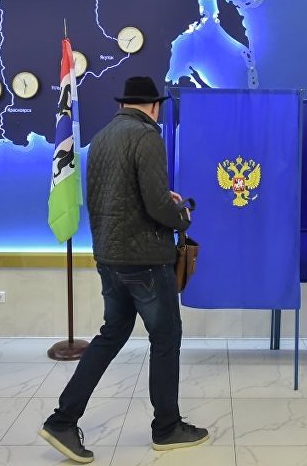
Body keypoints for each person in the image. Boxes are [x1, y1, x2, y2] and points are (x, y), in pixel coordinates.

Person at [39, 77, 208, 463]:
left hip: (109, 257)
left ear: (123, 105)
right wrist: (181, 215)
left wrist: (161, 199)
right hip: (145, 260)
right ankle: (167, 428)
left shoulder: (102, 137)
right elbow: (156, 207)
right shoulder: (147, 136)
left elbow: (119, 195)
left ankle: (62, 420)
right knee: (166, 337)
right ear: (154, 106)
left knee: (111, 334)